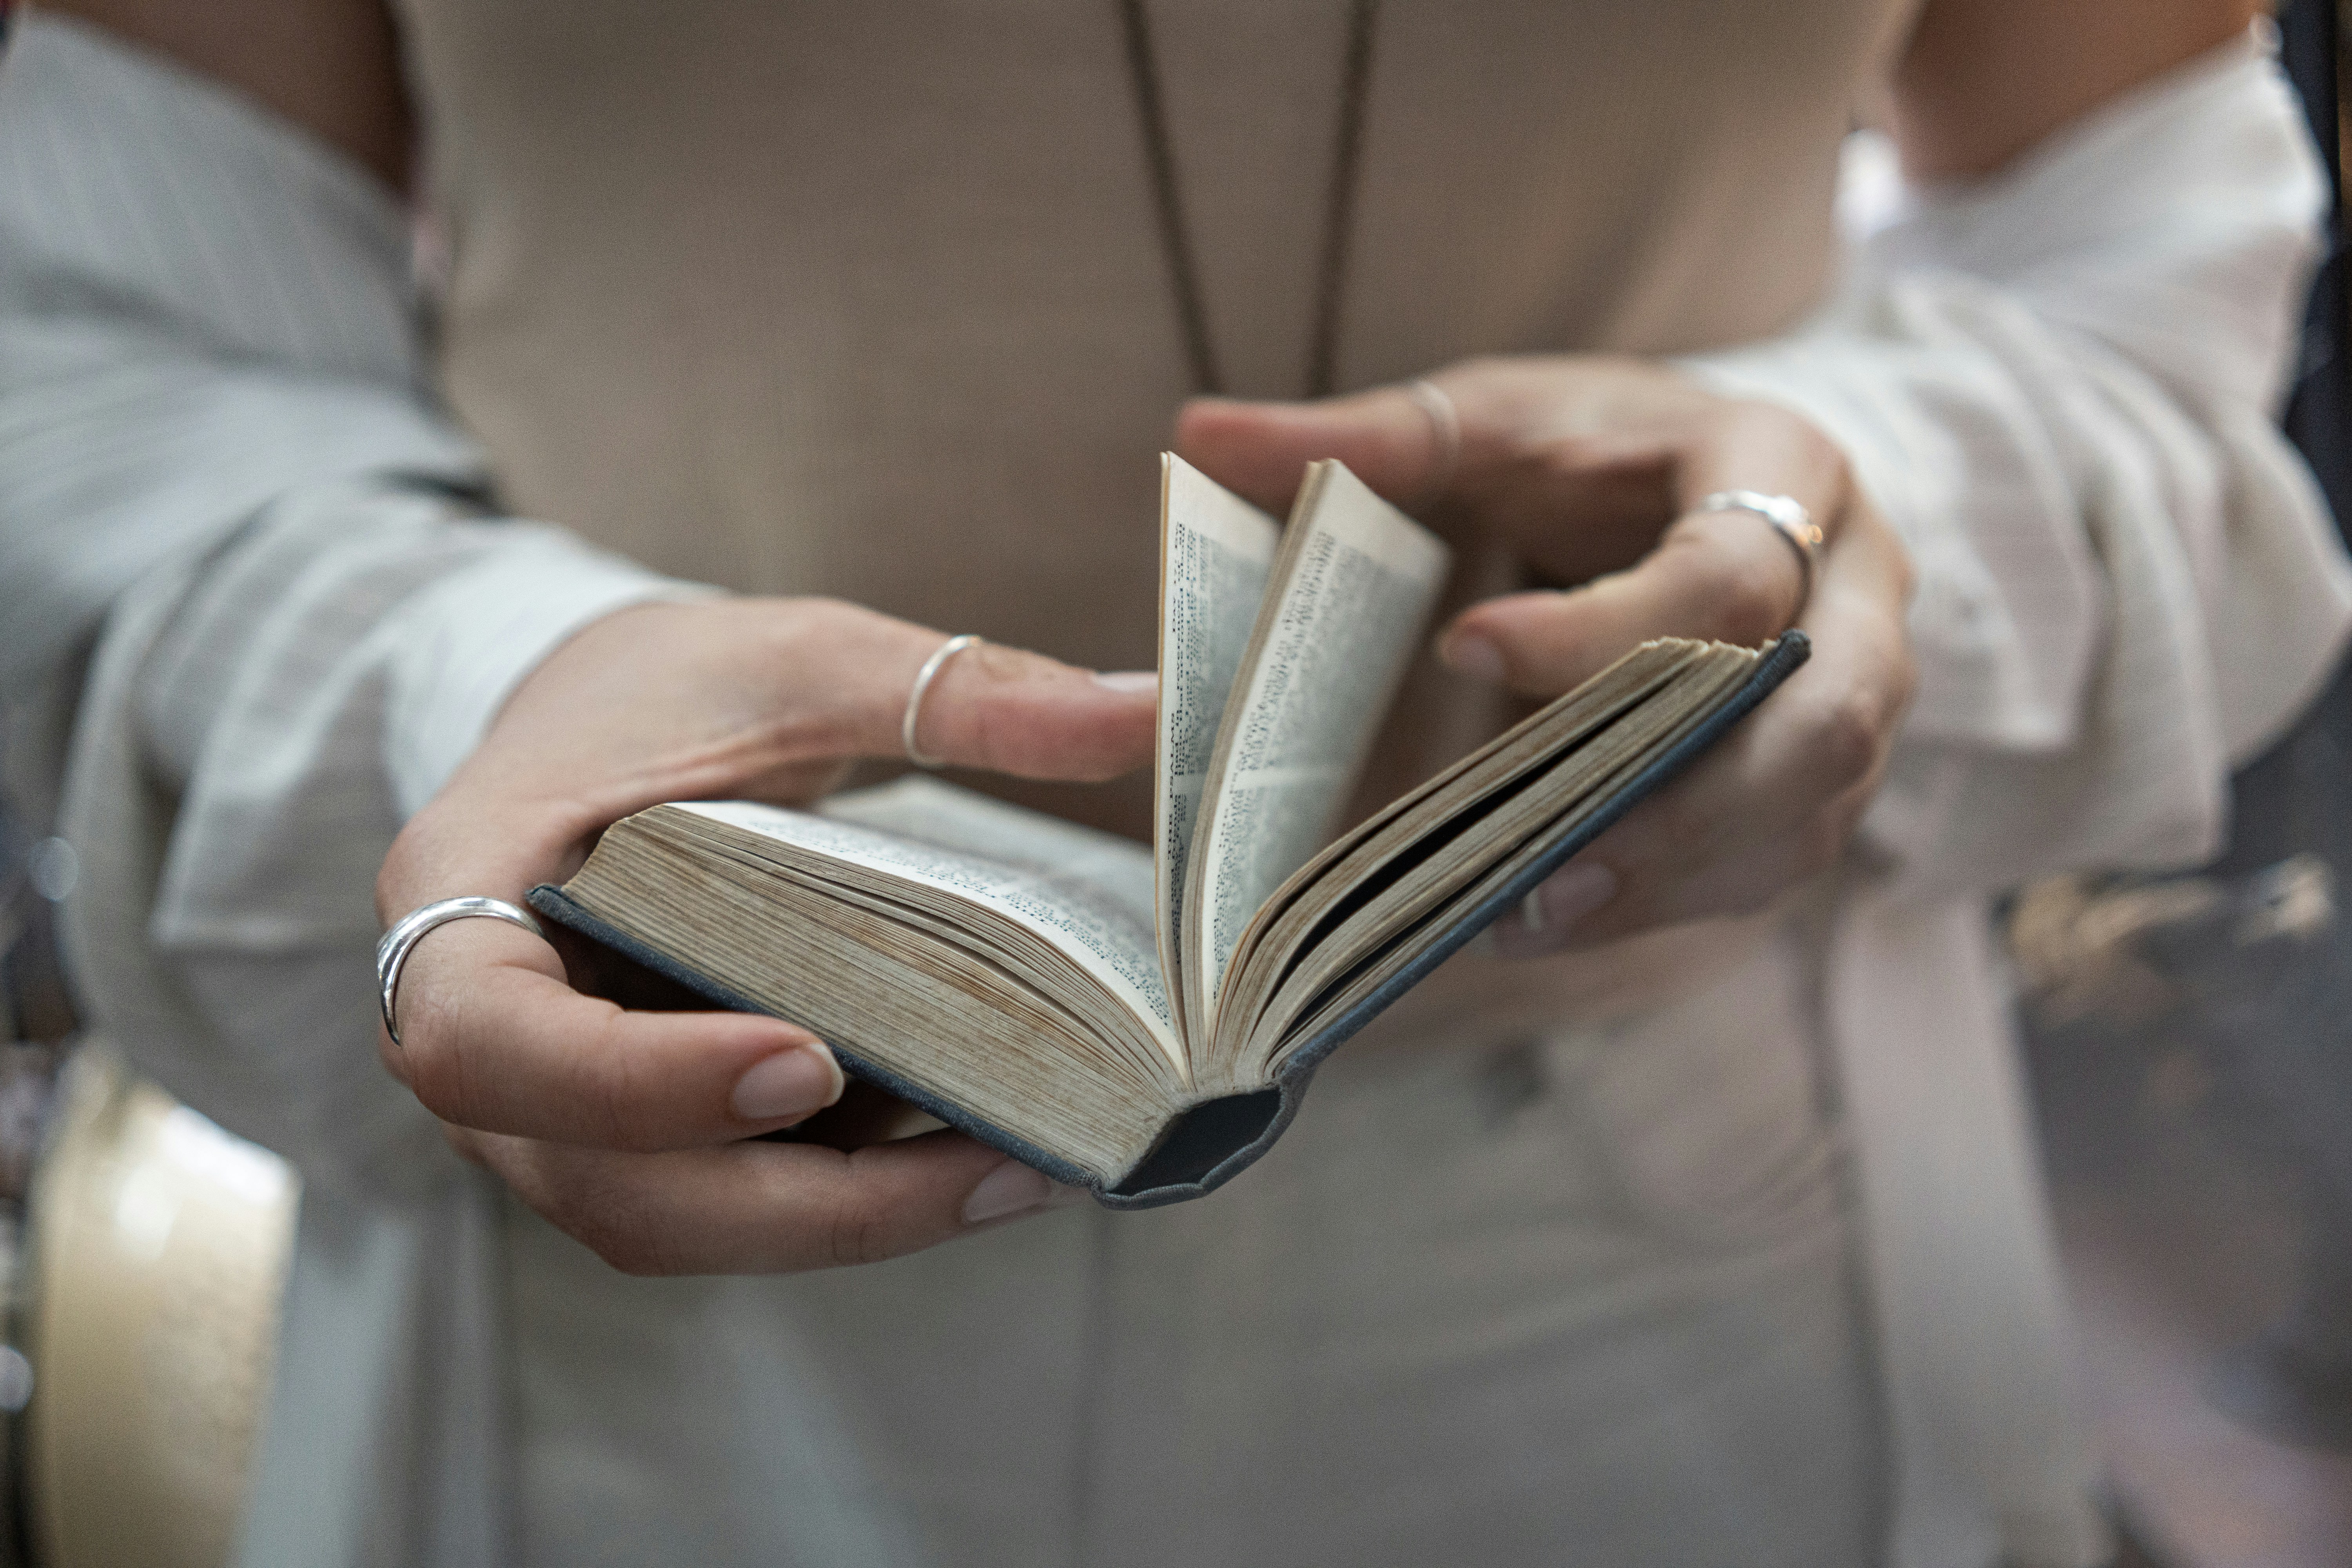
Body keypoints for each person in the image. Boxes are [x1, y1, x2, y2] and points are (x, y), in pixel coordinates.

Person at [2, 0, 2345, 1563]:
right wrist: (482, 684)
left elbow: (2130, 264)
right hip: (665, 1296)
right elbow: (100, 343)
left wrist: (1848, 510)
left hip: (1689, 1245)